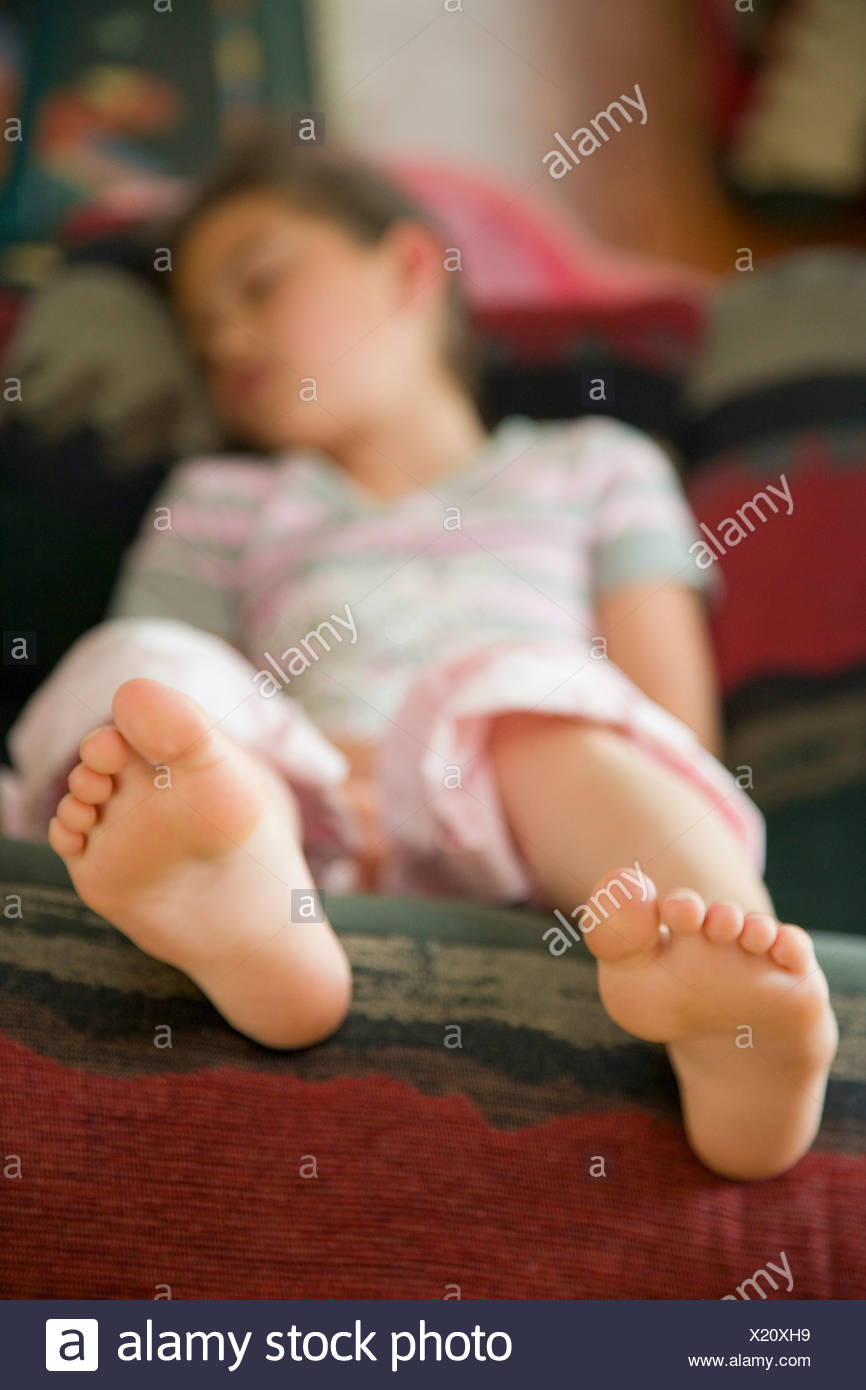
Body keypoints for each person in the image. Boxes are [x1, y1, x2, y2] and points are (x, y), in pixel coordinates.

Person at [24, 127, 835, 1179]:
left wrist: (445, 755)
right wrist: (306, 774)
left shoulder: (596, 463)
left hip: (536, 830)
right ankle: (261, 937)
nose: (225, 340)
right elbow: (155, 706)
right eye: (201, 330)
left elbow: (667, 719)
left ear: (408, 267)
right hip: (300, 814)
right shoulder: (222, 496)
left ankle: (730, 1014)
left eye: (257, 285)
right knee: (153, 669)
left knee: (543, 711)